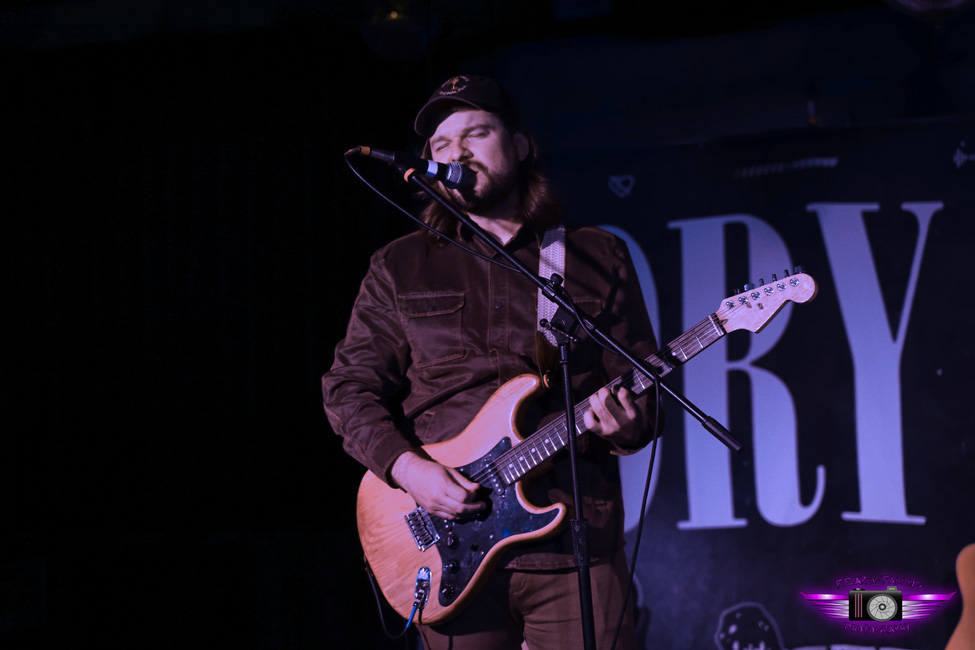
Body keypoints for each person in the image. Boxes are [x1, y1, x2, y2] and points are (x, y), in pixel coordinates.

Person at [323, 74, 660, 650]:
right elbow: (348, 389)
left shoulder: (594, 254)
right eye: (441, 145)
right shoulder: (398, 266)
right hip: (448, 543)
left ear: (522, 145)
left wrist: (631, 424)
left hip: (574, 540)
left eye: (476, 133)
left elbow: (639, 388)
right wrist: (410, 470)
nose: (457, 153)